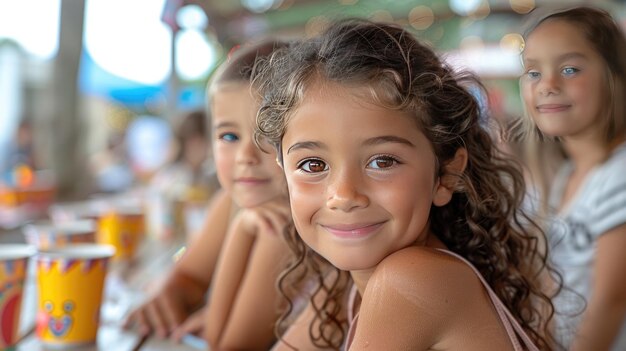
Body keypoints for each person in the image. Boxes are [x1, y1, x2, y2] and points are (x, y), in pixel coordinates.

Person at [253, 19, 559, 350]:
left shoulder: (412, 280)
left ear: (446, 174)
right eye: (313, 165)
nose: (343, 195)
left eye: (382, 162)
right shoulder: (351, 284)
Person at [124, 39, 291, 351]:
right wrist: (168, 294)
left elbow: (227, 343)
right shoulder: (230, 203)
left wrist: (215, 314)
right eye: (229, 135)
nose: (245, 155)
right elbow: (189, 275)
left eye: (268, 135)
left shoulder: (288, 229)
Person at [519, 6, 626, 350]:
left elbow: (611, 300)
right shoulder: (563, 176)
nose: (548, 85)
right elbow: (549, 286)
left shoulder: (619, 175)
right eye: (533, 72)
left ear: (615, 76)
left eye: (569, 69)